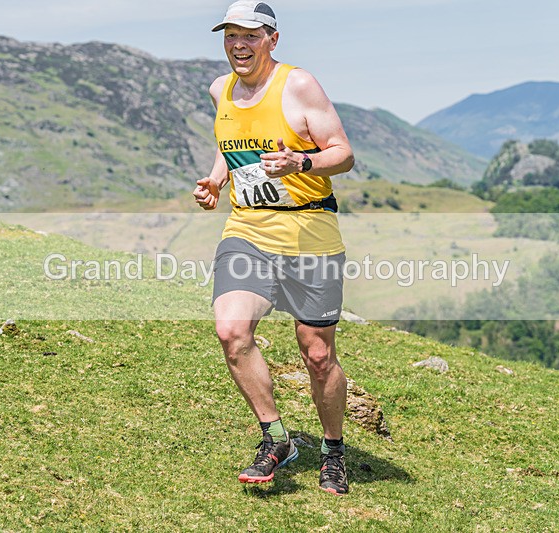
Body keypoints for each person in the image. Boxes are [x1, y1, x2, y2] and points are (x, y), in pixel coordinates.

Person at [193, 1, 355, 494]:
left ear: (272, 40)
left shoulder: (298, 85)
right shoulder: (221, 89)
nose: (238, 45)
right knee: (231, 330)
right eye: (230, 36)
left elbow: (343, 154)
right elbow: (231, 142)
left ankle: (333, 450)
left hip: (310, 232)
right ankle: (276, 438)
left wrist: (300, 163)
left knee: (317, 355)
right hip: (248, 230)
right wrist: (217, 180)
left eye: (250, 35)